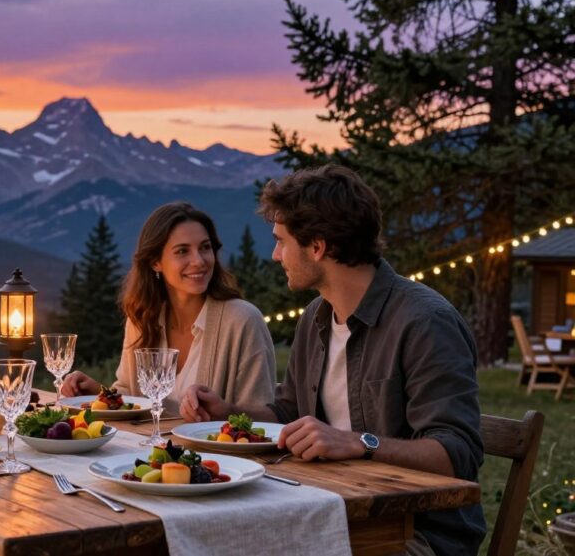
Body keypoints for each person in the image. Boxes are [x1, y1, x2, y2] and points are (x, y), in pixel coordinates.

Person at [180, 165, 485, 556]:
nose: (275, 256)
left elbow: (457, 454)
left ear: (318, 247)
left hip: (413, 535)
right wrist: (231, 412)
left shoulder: (425, 322)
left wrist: (360, 443)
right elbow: (290, 410)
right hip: (327, 513)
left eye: (281, 241)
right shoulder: (316, 317)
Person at [61, 202, 276, 414]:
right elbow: (128, 392)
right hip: (145, 448)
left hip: (212, 450)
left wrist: (225, 412)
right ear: (156, 262)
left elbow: (265, 418)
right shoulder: (142, 318)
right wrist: (99, 393)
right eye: (183, 251)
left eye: (205, 247)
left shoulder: (242, 320)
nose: (199, 261)